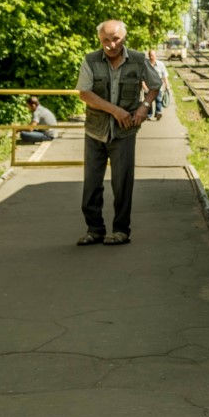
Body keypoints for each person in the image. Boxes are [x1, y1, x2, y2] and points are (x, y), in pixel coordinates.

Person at [75, 20, 162, 247]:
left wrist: (144, 107)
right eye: (106, 40)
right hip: (96, 131)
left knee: (122, 183)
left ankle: (121, 231)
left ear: (124, 38)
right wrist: (115, 110)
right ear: (99, 40)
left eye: (115, 39)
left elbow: (155, 85)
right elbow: (84, 93)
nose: (111, 45)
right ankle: (94, 230)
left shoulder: (138, 59)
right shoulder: (90, 60)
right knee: (91, 184)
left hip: (124, 133)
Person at [146, 47, 173, 121]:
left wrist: (167, 85)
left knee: (158, 100)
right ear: (148, 56)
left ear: (156, 56)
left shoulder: (160, 64)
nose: (152, 57)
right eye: (150, 55)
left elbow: (165, 75)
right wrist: (143, 85)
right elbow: (142, 76)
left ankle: (158, 113)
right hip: (149, 86)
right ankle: (149, 115)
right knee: (149, 101)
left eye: (153, 55)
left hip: (158, 86)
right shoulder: (146, 65)